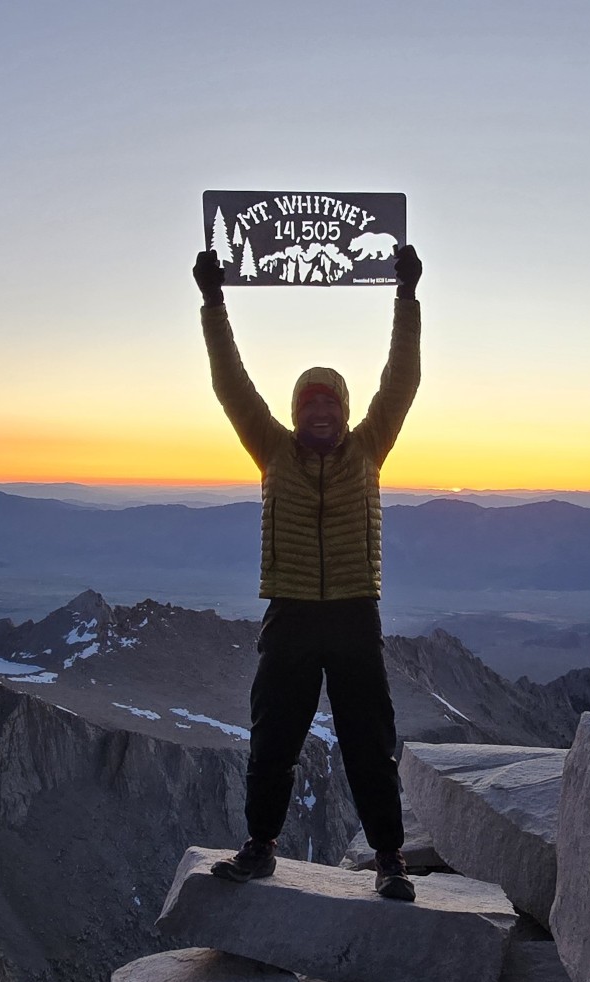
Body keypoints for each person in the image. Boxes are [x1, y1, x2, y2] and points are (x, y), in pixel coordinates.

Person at [193, 242, 423, 901]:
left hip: (353, 610)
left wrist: (406, 298)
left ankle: (389, 861)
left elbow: (400, 381)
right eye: (309, 405)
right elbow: (230, 384)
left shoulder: (370, 447)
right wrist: (213, 303)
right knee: (274, 736)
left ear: (345, 413)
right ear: (296, 414)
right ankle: (260, 846)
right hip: (290, 609)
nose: (320, 413)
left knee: (368, 740)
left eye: (330, 405)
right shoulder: (272, 451)